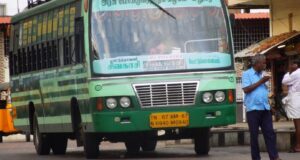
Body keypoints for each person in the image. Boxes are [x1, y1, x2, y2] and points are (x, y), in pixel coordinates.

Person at [242, 54, 281, 160]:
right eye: (263, 63)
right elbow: (246, 89)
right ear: (257, 63)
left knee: (270, 134)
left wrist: (270, 107)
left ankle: (274, 157)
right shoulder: (247, 74)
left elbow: (262, 92)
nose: (265, 65)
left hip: (265, 109)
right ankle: (256, 158)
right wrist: (261, 81)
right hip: (253, 110)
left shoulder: (262, 74)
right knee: (254, 136)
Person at [282, 59, 300, 152]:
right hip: (297, 97)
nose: (290, 66)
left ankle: (298, 146)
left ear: (296, 65)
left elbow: (285, 81)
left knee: (297, 124)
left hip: (296, 99)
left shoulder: (295, 73)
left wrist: (288, 72)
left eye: (291, 64)